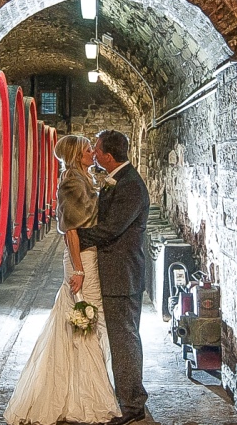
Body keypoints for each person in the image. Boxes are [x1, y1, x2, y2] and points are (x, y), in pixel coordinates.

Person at [3, 135, 121, 425]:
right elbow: (71, 230)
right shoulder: (71, 182)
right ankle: (83, 397)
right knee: (84, 319)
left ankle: (79, 391)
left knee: (83, 320)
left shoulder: (85, 178)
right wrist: (78, 271)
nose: (92, 152)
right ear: (75, 155)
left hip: (88, 256)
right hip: (81, 259)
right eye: (87, 150)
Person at [77, 130, 150, 425]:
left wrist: (75, 236)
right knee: (120, 338)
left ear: (109, 156)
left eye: (97, 149)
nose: (94, 153)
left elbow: (111, 229)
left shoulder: (130, 185)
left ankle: (133, 405)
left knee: (125, 339)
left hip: (123, 275)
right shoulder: (118, 180)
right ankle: (125, 397)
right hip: (115, 272)